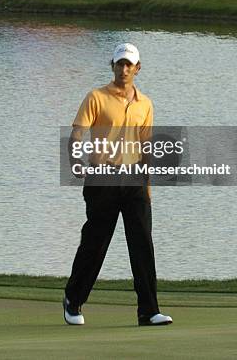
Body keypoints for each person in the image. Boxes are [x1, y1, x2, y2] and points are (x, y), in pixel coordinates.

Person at [63, 43, 173, 327]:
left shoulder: (146, 104)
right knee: (96, 242)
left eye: (129, 65)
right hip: (103, 178)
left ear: (138, 69)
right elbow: (78, 133)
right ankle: (73, 300)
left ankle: (148, 311)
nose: (124, 69)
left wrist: (148, 184)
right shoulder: (96, 97)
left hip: (135, 178)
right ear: (112, 66)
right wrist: (76, 159)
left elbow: (146, 144)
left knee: (142, 245)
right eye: (119, 64)